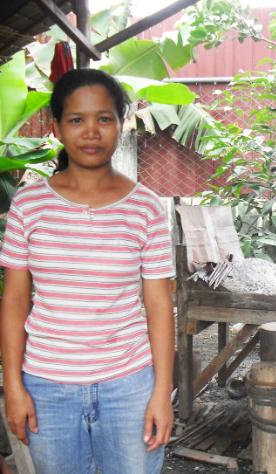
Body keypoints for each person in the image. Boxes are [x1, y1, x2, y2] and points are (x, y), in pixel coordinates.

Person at [0, 69, 175, 474]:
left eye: (104, 118)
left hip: (129, 384)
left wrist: (161, 393)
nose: (91, 132)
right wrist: (14, 386)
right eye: (77, 120)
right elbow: (14, 300)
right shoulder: (29, 205)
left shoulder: (145, 207)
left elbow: (158, 304)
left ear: (121, 124)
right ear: (57, 128)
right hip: (46, 387)